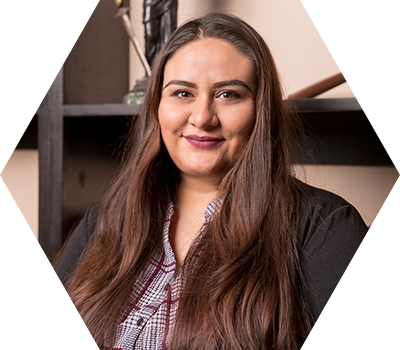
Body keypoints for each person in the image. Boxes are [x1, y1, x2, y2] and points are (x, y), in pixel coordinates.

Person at [16, 12, 400, 350]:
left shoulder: (325, 228)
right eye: (182, 93)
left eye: (228, 95)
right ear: (157, 108)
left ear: (260, 111)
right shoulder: (106, 220)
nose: (202, 117)